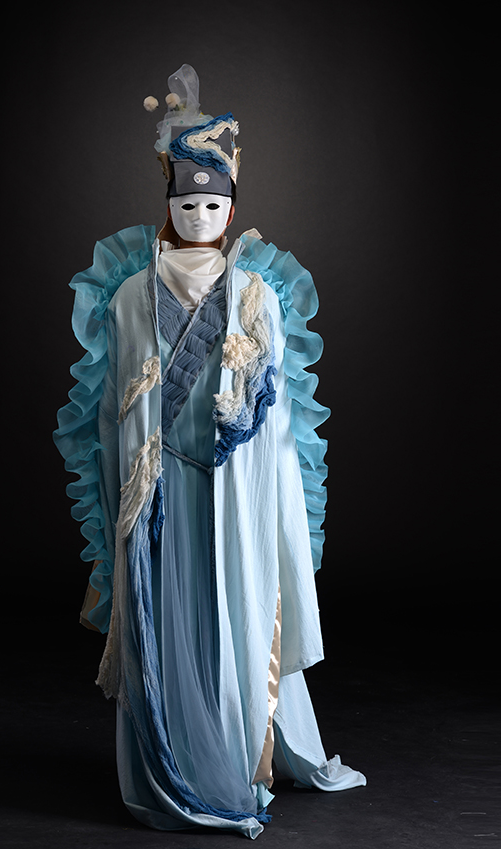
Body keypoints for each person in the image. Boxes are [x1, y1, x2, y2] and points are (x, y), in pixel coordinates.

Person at [54, 64, 366, 839]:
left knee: (232, 613)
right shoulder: (130, 295)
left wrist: (256, 453)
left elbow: (281, 417)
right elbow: (109, 410)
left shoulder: (257, 294)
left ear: (232, 205)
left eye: (214, 203)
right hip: (158, 487)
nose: (199, 214)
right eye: (187, 202)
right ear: (168, 203)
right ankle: (167, 764)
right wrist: (132, 475)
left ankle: (230, 755)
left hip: (230, 487)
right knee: (163, 617)